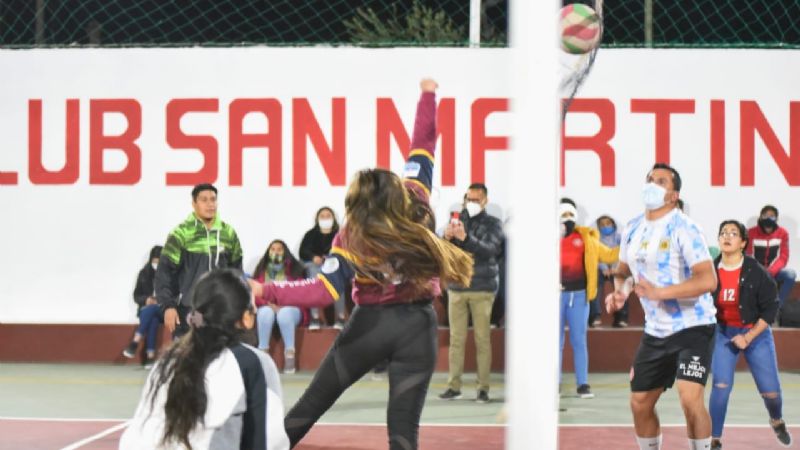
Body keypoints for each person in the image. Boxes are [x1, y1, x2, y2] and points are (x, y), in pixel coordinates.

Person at [250, 78, 473, 450]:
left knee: (308, 408)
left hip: (369, 326)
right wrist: (428, 95)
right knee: (403, 435)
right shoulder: (415, 194)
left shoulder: (353, 234)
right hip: (418, 326)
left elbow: (322, 291)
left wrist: (265, 290)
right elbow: (424, 140)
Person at [606, 162, 718, 450]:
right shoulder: (632, 227)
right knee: (640, 402)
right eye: (649, 179)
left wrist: (661, 293)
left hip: (693, 326)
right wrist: (621, 292)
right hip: (655, 331)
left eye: (661, 181)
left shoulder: (686, 228)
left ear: (673, 195)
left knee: (689, 398)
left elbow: (708, 280)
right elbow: (622, 271)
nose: (652, 184)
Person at [119, 269, 290, 450]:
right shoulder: (255, 363)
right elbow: (272, 439)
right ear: (247, 318)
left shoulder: (168, 362)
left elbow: (137, 439)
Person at [709, 220, 792, 450]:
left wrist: (748, 337)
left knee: (771, 391)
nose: (727, 236)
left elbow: (771, 308)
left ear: (743, 242)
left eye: (733, 233)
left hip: (756, 332)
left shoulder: (756, 271)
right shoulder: (711, 270)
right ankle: (714, 439)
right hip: (724, 333)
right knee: (721, 386)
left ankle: (776, 420)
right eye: (723, 232)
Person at [437, 183, 504, 404]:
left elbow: (491, 250)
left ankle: (482, 388)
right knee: (456, 340)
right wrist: (446, 238)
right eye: (469, 199)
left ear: (485, 200)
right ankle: (453, 386)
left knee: (482, 340)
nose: (471, 203)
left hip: (482, 288)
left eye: (476, 199)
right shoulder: (455, 220)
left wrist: (466, 238)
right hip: (457, 288)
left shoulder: (494, 224)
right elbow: (445, 252)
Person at [155, 183, 243, 339]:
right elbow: (165, 273)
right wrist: (168, 306)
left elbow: (236, 272)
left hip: (220, 310)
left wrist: (238, 305)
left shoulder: (228, 233)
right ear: (194, 204)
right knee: (188, 360)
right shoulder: (180, 234)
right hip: (188, 309)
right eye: (204, 200)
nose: (210, 204)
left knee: (219, 359)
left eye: (213, 199)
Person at [558, 199, 618, 399]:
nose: (567, 220)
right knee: (555, 342)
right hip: (555, 297)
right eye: (563, 215)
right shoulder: (548, 238)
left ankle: (582, 383)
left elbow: (609, 255)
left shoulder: (586, 239)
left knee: (578, 340)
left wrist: (629, 243)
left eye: (570, 216)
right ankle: (553, 383)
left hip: (580, 296)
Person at [252, 239, 309, 374]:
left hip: (291, 308)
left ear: (285, 252)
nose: (276, 252)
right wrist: (268, 303)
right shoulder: (261, 270)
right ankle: (263, 355)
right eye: (273, 249)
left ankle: (290, 355)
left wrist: (283, 303)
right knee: (265, 312)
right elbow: (254, 293)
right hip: (268, 307)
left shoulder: (295, 269)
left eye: (279, 249)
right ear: (268, 252)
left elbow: (300, 291)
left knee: (284, 314)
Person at [746, 204, 797, 318]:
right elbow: (748, 255)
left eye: (772, 216)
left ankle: (776, 308)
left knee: (790, 275)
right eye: (765, 216)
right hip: (756, 271)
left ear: (776, 219)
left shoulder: (783, 233)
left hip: (773, 272)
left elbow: (783, 257)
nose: (768, 219)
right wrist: (759, 271)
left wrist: (770, 272)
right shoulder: (750, 233)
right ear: (760, 217)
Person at [298, 206, 344, 330]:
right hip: (315, 266)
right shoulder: (311, 234)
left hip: (334, 266)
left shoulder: (340, 234)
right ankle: (315, 317)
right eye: (322, 216)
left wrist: (331, 258)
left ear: (333, 218)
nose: (325, 219)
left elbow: (346, 252)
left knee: (339, 276)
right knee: (313, 272)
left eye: (328, 216)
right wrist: (313, 257)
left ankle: (341, 317)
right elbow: (303, 251)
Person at [122, 245, 164, 364]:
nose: (156, 265)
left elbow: (174, 295)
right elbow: (136, 296)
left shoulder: (169, 275)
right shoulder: (144, 274)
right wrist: (146, 300)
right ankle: (150, 357)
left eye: (159, 262)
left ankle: (135, 342)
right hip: (147, 310)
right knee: (152, 319)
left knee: (153, 311)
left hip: (163, 309)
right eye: (154, 262)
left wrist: (160, 300)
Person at [589, 214, 625, 328]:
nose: (605, 226)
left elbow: (623, 253)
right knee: (593, 286)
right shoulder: (596, 238)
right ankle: (595, 316)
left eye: (608, 223)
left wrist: (615, 268)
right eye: (602, 225)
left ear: (613, 224)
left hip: (616, 268)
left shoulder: (619, 237)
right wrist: (604, 268)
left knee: (622, 285)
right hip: (601, 269)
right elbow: (596, 255)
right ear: (598, 226)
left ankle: (621, 317)